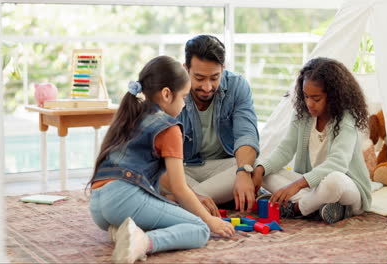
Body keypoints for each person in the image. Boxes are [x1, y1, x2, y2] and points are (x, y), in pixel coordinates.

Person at [87, 56, 235, 264]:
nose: (184, 104)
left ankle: (120, 231)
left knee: (171, 211)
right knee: (199, 229)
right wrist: (210, 220)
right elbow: (179, 187)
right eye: (184, 97)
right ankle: (143, 241)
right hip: (122, 200)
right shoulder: (168, 127)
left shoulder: (132, 114)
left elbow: (159, 180)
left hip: (98, 207)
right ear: (167, 94)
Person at [252, 57, 372, 224]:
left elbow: (338, 163)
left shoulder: (346, 119)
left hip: (347, 188)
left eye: (316, 99)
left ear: (333, 97)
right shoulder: (302, 114)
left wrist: (296, 185)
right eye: (306, 96)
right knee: (265, 171)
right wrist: (260, 169)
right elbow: (285, 149)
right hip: (312, 187)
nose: (309, 103)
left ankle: (297, 208)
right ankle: (323, 207)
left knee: (333, 181)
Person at [160, 35, 260, 215]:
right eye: (199, 78)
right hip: (182, 170)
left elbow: (246, 134)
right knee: (156, 173)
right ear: (186, 69)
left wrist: (244, 172)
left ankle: (179, 203)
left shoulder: (237, 86)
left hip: (222, 167)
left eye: (215, 78)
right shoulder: (170, 91)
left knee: (256, 165)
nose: (207, 87)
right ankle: (203, 199)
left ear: (223, 68)